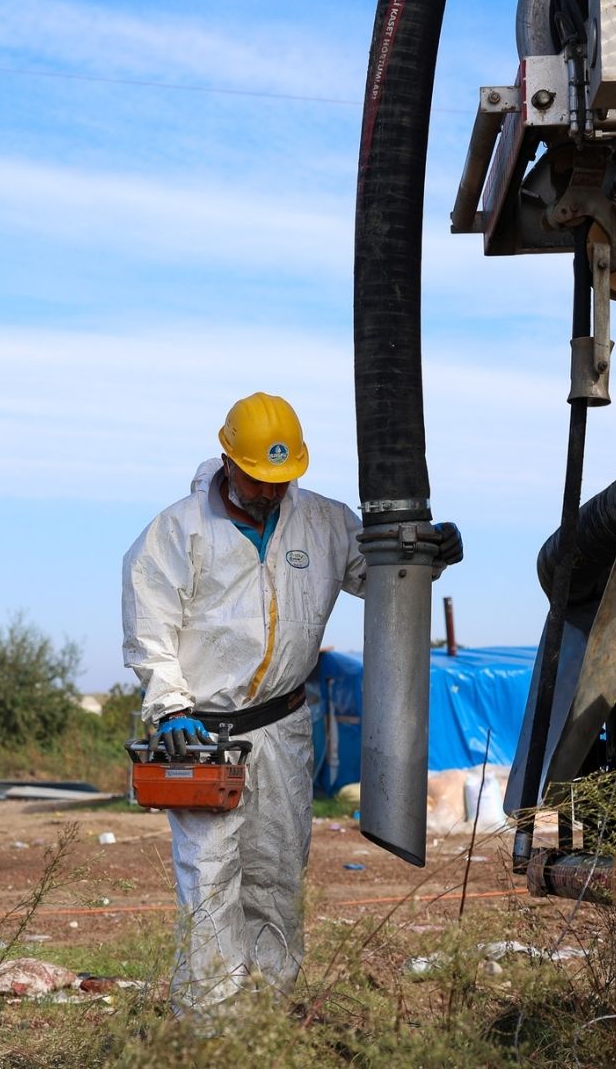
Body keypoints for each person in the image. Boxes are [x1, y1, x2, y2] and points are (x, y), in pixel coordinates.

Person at [121, 391, 461, 1018]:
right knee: (210, 878)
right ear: (228, 460)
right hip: (202, 733)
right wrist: (170, 708)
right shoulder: (177, 532)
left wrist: (423, 557)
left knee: (277, 875)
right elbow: (150, 630)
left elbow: (378, 576)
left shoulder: (325, 523)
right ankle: (210, 1027)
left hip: (282, 728)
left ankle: (269, 1015)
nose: (270, 492)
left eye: (282, 480)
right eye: (258, 478)